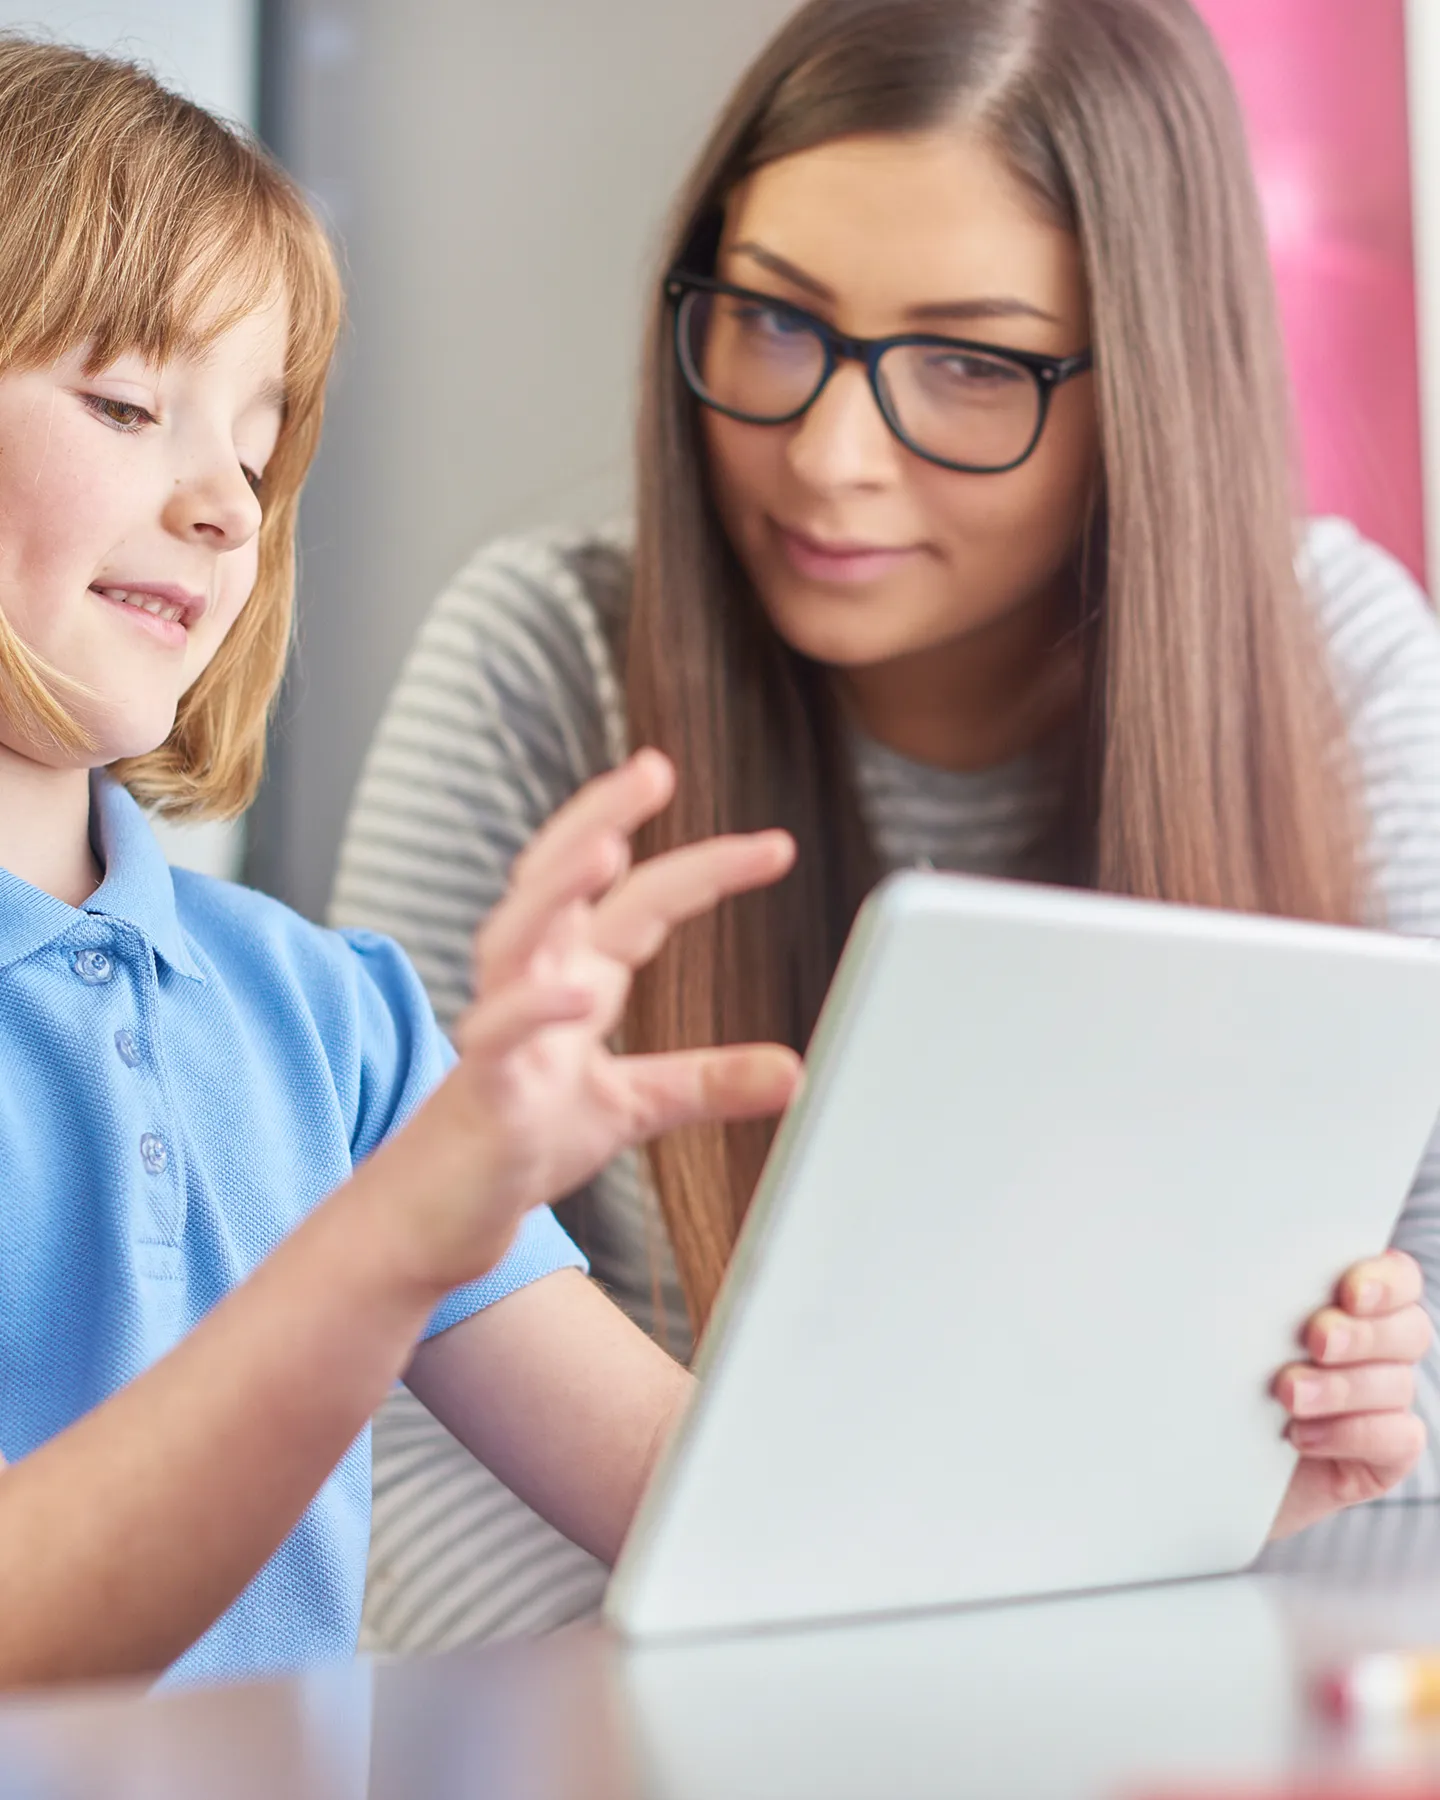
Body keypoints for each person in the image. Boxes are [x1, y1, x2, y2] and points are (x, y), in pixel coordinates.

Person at [333, 0, 1440, 1654]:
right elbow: (373, 1371)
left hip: (1199, 1695)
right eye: (776, 321)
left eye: (973, 365)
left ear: (1148, 383)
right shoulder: (541, 665)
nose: (828, 455)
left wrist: (1355, 1401)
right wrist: (682, 1728)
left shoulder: (1336, 659)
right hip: (655, 1702)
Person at [0, 38, 805, 1690]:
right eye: (128, 405)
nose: (227, 506)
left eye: (258, 450)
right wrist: (383, 1248)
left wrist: (1220, 1467)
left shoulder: (334, 1019)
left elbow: (723, 1524)